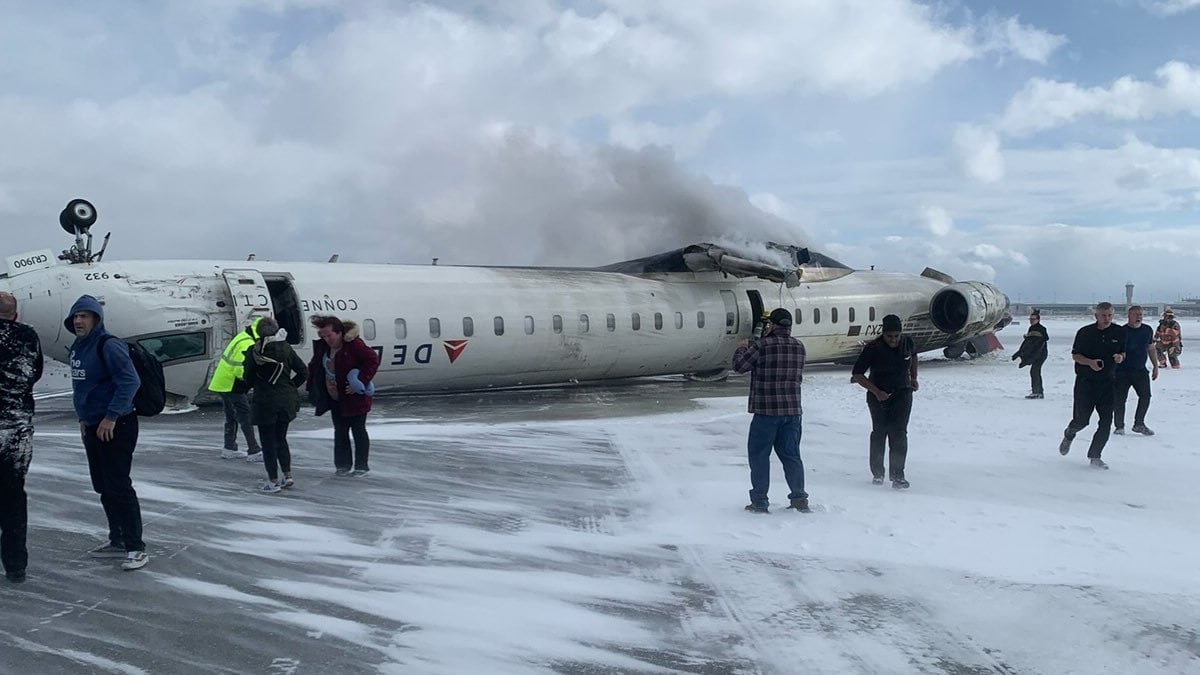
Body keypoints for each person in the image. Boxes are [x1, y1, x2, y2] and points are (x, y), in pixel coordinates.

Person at [65, 295, 149, 570]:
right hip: (92, 425)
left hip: (116, 425)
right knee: (102, 485)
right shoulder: (78, 347)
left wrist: (111, 417)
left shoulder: (108, 345)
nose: (78, 321)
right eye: (76, 316)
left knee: (118, 485)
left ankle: (136, 547)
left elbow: (130, 381)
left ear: (97, 319)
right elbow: (83, 388)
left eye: (84, 316)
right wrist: (84, 418)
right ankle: (118, 539)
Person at [731, 308, 810, 514]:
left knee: (759, 457)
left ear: (772, 325)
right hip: (792, 413)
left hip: (766, 413)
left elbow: (739, 366)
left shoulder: (762, 346)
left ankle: (759, 501)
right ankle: (799, 498)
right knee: (792, 456)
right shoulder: (799, 347)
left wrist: (741, 348)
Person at [0, 292, 44, 583]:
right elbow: (35, 372)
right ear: (15, 314)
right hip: (16, 429)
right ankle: (15, 565)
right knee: (13, 497)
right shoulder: (28, 336)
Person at [306, 315, 380, 476]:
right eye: (323, 336)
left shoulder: (354, 346)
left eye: (329, 335)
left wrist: (359, 382)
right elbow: (314, 366)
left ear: (339, 333)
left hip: (354, 398)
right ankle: (342, 465)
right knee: (340, 431)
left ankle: (361, 466)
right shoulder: (323, 348)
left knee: (358, 430)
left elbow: (372, 360)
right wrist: (312, 387)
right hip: (334, 398)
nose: (326, 339)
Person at [851, 314, 918, 489]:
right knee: (880, 433)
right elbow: (857, 374)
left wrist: (914, 378)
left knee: (899, 433)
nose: (893, 340)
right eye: (890, 336)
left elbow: (914, 357)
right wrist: (876, 391)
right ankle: (878, 472)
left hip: (902, 393)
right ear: (883, 334)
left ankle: (898, 475)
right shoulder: (873, 348)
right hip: (878, 395)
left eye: (896, 336)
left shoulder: (907, 343)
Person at [242, 318, 308, 493]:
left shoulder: (254, 351)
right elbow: (303, 371)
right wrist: (290, 386)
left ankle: (272, 481)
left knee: (268, 441)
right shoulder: (286, 348)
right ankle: (287, 475)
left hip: (265, 401)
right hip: (286, 401)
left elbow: (247, 378)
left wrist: (252, 384)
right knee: (281, 438)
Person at [1059, 302, 1126, 469]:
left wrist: (1120, 357)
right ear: (1096, 316)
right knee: (1082, 420)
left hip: (1109, 383)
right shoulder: (1085, 333)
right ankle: (1070, 432)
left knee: (1106, 422)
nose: (1107, 319)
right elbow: (1075, 356)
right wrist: (1090, 363)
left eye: (1110, 315)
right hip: (1086, 383)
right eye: (1103, 315)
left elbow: (1123, 352)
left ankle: (1095, 455)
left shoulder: (1119, 332)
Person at [207, 317, 265, 461]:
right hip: (232, 384)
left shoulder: (243, 336)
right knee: (245, 415)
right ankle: (254, 450)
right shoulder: (247, 344)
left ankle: (229, 447)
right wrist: (252, 381)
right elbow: (240, 369)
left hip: (223, 382)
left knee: (231, 416)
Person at [1113, 305, 1158, 437]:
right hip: (1122, 371)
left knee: (1145, 396)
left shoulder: (1147, 330)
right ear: (1129, 316)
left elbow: (1151, 348)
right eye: (1135, 314)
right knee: (1120, 399)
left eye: (1140, 315)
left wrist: (1155, 365)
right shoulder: (1121, 331)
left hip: (1140, 370)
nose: (1138, 317)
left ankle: (1139, 424)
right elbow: (1115, 351)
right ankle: (1119, 426)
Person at [1011, 309, 1048, 398]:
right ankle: (1038, 392)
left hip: (1040, 354)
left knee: (1035, 371)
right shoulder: (1031, 328)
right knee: (1034, 372)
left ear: (1038, 320)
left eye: (1033, 319)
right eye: (1030, 319)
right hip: (1034, 353)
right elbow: (1029, 342)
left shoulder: (1041, 329)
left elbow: (1042, 340)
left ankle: (1037, 392)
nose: (1031, 321)